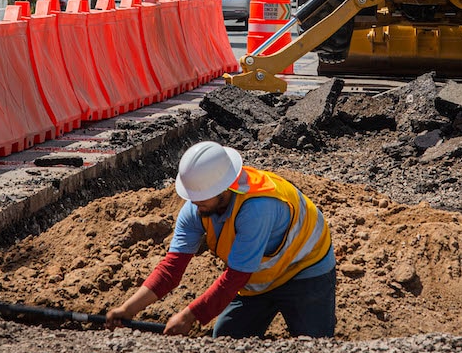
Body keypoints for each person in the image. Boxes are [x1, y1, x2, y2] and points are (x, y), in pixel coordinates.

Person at [105, 141, 336, 338]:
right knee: (226, 340)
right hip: (259, 278)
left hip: (305, 270)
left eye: (202, 198)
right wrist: (128, 309)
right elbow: (171, 269)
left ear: (225, 188)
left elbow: (235, 278)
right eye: (193, 197)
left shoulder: (257, 207)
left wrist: (189, 316)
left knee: (314, 348)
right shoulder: (197, 208)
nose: (195, 204)